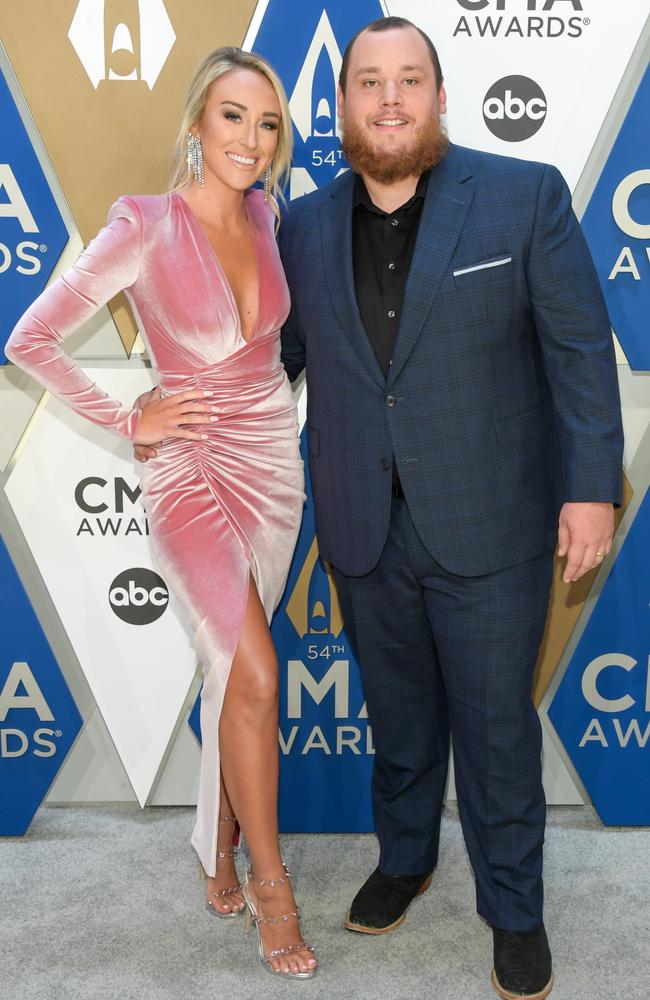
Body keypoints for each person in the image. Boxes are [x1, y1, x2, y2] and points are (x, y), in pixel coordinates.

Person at [276, 16, 621, 1000]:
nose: (387, 98)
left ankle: (514, 913)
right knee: (398, 720)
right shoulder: (299, 225)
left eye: (408, 80)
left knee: (495, 732)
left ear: (438, 95)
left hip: (491, 522)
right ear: (340, 104)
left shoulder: (521, 196)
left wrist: (590, 488)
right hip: (358, 523)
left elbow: (576, 357)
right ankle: (403, 858)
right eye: (367, 82)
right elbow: (278, 368)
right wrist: (188, 401)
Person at [5, 47, 318, 980]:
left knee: (230, 676)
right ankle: (272, 886)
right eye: (232, 117)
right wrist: (129, 414)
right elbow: (30, 336)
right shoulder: (144, 224)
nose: (251, 140)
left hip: (272, 459)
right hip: (186, 468)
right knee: (255, 671)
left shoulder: (268, 214)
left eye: (267, 124)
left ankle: (215, 844)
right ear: (195, 124)